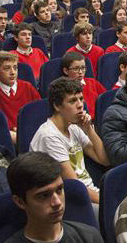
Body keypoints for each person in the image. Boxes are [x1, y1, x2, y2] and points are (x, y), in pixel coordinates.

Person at [30, 77, 108, 206]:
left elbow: (104, 160)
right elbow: (74, 186)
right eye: (72, 101)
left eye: (81, 99)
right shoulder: (49, 136)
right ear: (57, 106)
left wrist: (89, 129)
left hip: (90, 193)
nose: (80, 105)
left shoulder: (73, 127)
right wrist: (107, 204)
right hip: (73, 200)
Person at [0, 51, 40, 142]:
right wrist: (9, 132)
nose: (12, 72)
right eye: (7, 68)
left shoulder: (28, 87)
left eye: (15, 68)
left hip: (29, 132)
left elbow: (38, 112)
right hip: (4, 135)